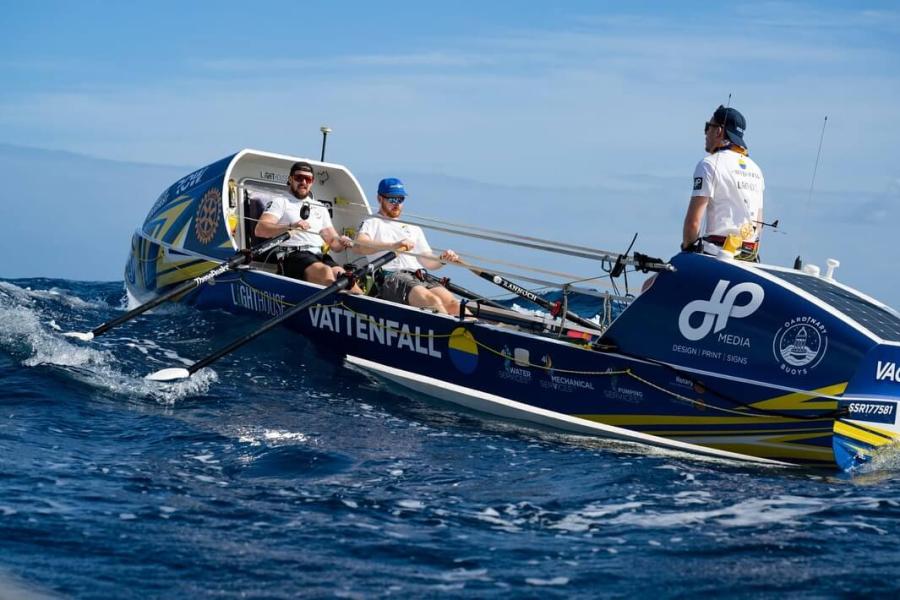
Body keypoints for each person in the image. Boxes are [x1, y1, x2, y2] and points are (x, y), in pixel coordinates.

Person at [352, 177, 463, 315]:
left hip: (420, 276)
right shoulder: (372, 222)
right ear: (379, 199)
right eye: (392, 199)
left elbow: (427, 260)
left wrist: (442, 259)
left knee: (454, 304)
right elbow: (359, 245)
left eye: (400, 199)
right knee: (432, 301)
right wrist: (393, 245)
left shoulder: (414, 228)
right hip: (392, 277)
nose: (397, 204)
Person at [254, 161, 360, 291]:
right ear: (290, 179)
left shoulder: (320, 207)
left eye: (308, 179)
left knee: (346, 278)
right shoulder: (280, 202)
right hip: (293, 255)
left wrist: (343, 242)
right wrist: (290, 227)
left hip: (319, 255)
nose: (303, 182)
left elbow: (333, 243)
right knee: (325, 272)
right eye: (299, 178)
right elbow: (261, 229)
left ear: (312, 182)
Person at [682, 105, 765, 260]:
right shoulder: (756, 170)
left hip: (717, 256)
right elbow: (759, 225)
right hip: (750, 258)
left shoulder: (708, 164)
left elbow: (693, 223)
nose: (705, 132)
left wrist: (686, 250)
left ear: (719, 131)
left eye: (708, 127)